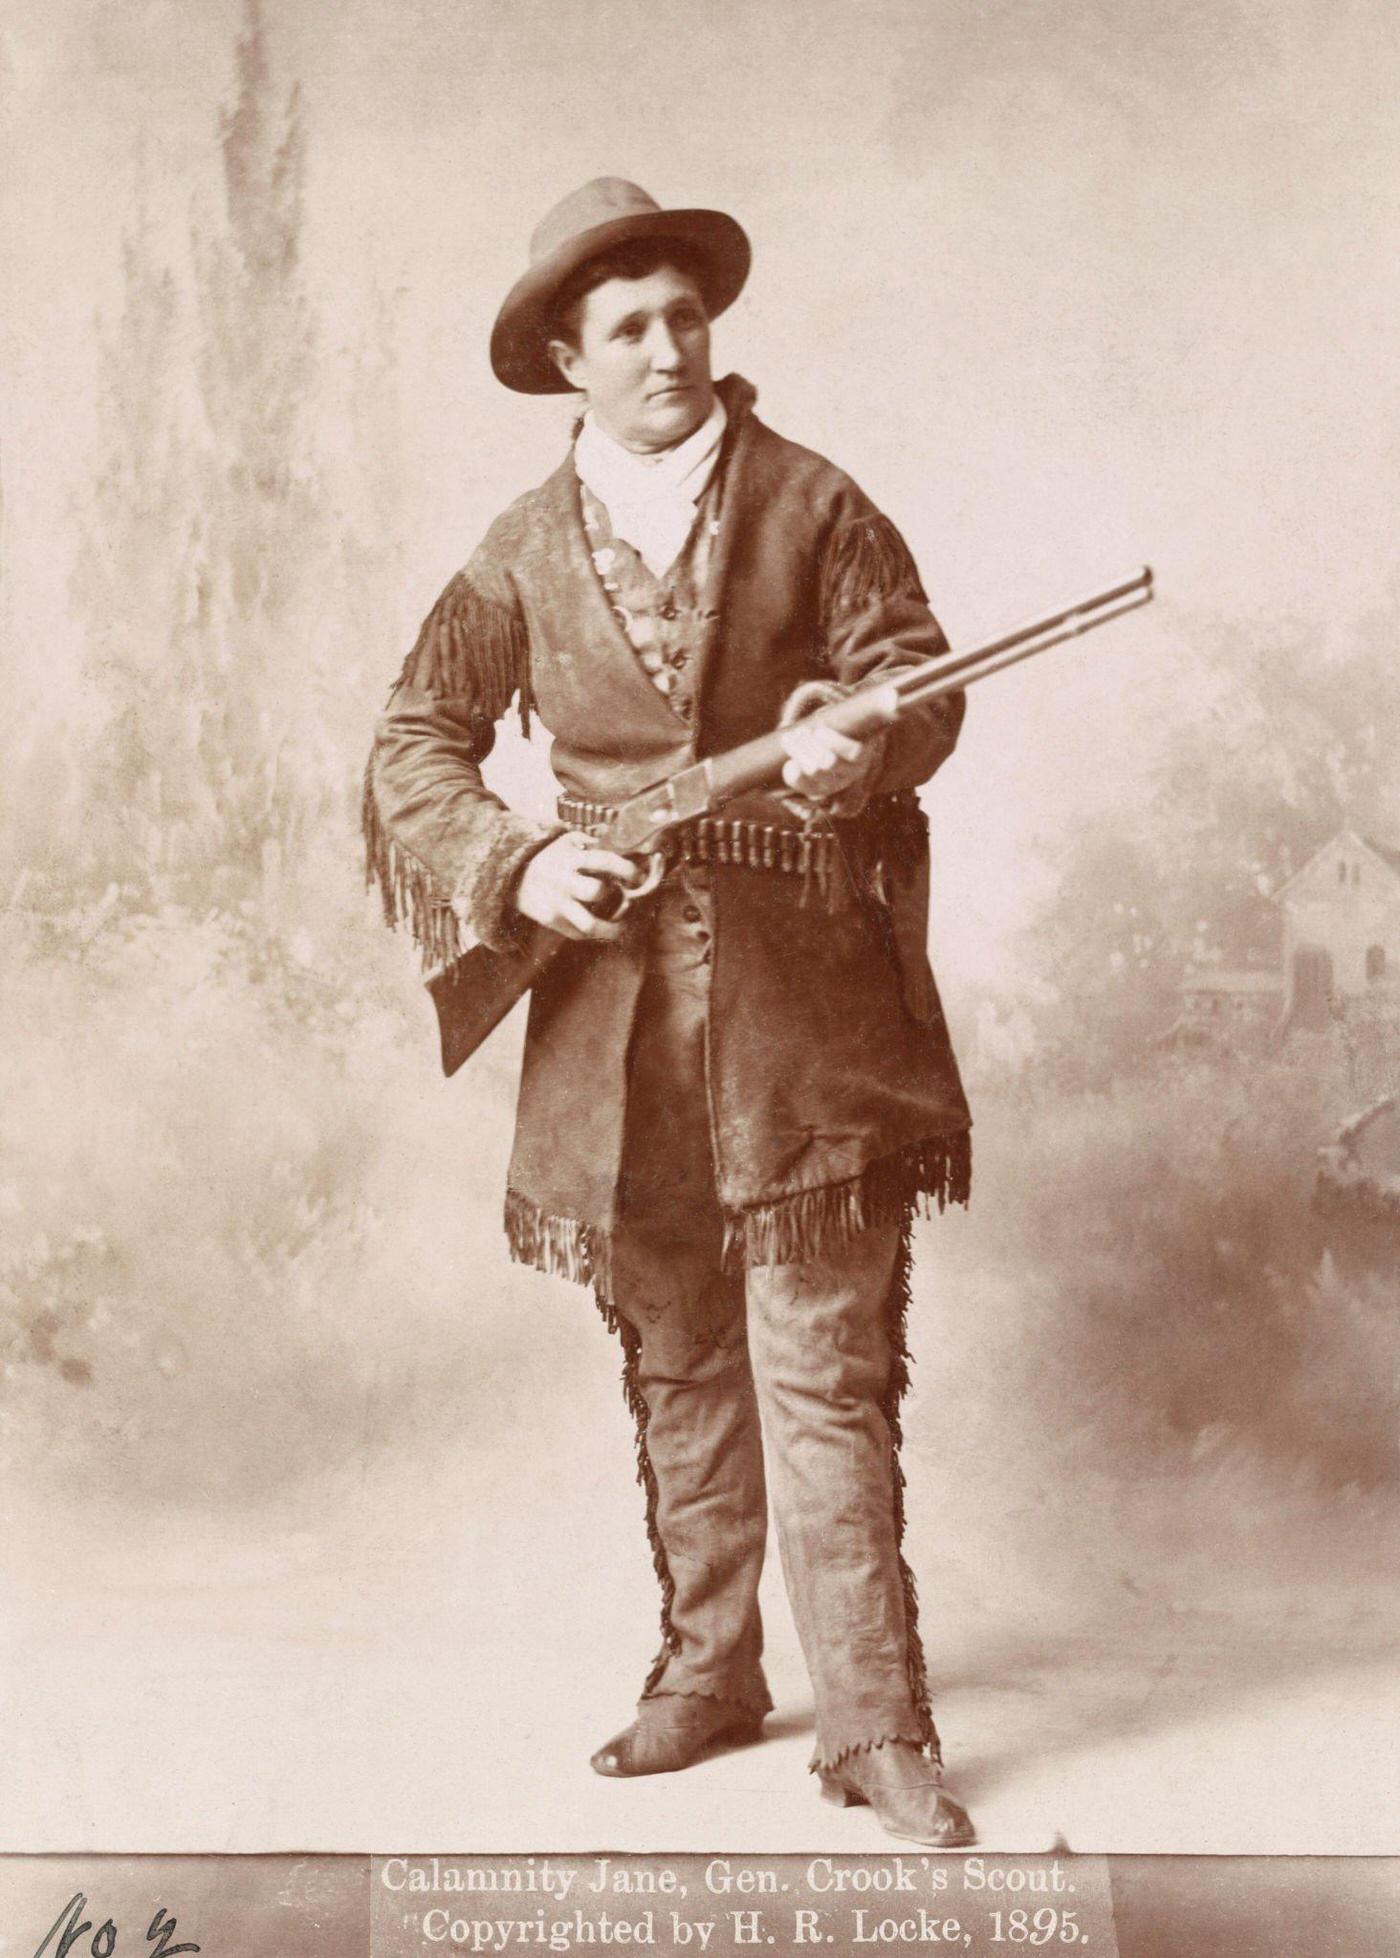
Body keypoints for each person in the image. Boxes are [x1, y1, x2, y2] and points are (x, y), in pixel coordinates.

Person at [363, 178, 975, 1847]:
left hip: (806, 1018)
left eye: (685, 314)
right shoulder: (517, 551)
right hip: (613, 1024)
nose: (667, 347)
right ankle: (710, 1671)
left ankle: (876, 1721)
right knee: (679, 1354)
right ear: (570, 356)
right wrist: (519, 865)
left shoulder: (813, 500)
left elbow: (914, 676)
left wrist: (862, 744)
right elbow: (414, 745)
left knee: (822, 1363)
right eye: (627, 326)